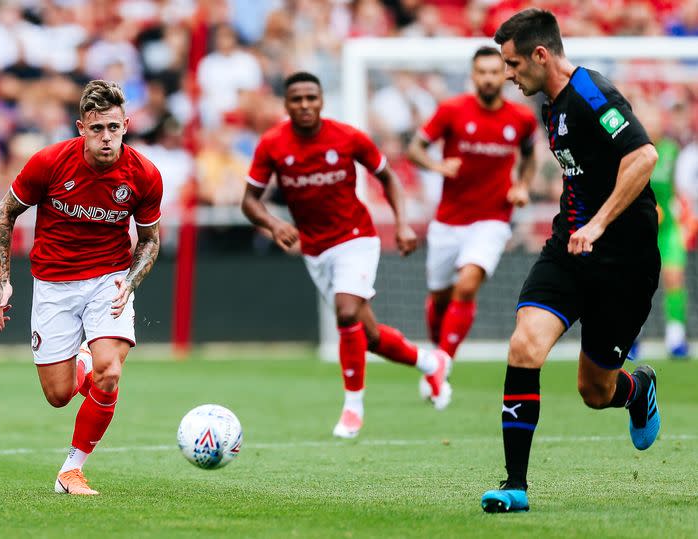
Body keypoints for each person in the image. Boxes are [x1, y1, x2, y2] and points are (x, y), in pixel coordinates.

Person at [481, 9, 661, 513]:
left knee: (594, 390)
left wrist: (600, 223)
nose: (509, 75)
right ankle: (515, 485)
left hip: (623, 262)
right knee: (524, 345)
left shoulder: (592, 94)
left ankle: (637, 388)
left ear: (541, 54)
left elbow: (643, 156)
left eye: (514, 64)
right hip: (568, 250)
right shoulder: (550, 104)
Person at [242, 71, 451, 439]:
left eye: (312, 98)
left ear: (321, 100)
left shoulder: (348, 136)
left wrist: (402, 224)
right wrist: (275, 225)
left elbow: (389, 177)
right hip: (315, 249)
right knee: (365, 334)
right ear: (287, 104)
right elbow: (249, 201)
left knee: (345, 311)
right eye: (297, 99)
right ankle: (430, 362)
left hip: (356, 238)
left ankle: (353, 409)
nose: (305, 105)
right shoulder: (273, 144)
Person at [0, 80, 163, 496]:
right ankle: (81, 360)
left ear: (127, 125)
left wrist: (131, 282)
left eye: (115, 128)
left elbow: (151, 240)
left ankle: (71, 470)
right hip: (53, 283)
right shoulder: (49, 163)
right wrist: (3, 283)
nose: (107, 137)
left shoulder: (144, 175)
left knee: (110, 372)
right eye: (97, 128)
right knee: (59, 395)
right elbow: (4, 216)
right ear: (81, 127)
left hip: (108, 279)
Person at [407, 46, 537, 409]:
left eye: (496, 71)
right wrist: (436, 167)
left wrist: (522, 185)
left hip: (493, 218)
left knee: (467, 284)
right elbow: (415, 147)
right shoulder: (452, 111)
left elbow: (530, 157)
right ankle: (438, 357)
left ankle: (440, 365)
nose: (490, 78)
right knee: (440, 298)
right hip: (448, 221)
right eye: (482, 72)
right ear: (473, 75)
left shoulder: (521, 119)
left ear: (505, 75)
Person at [634, 104, 689, 359]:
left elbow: (680, 187)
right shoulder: (632, 150)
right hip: (640, 231)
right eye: (646, 121)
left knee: (674, 280)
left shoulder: (671, 150)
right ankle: (632, 338)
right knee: (636, 286)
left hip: (668, 230)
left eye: (654, 120)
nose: (650, 125)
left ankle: (676, 338)